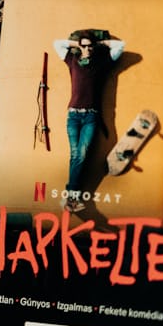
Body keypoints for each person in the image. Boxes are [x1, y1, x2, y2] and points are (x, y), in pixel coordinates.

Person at [52, 28, 125, 211]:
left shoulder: (102, 62)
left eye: (90, 46)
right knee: (76, 155)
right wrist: (77, 44)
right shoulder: (72, 61)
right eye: (84, 46)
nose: (87, 49)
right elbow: (57, 44)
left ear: (94, 46)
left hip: (91, 117)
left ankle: (70, 197)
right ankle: (71, 198)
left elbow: (120, 45)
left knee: (81, 154)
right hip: (73, 116)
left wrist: (99, 44)